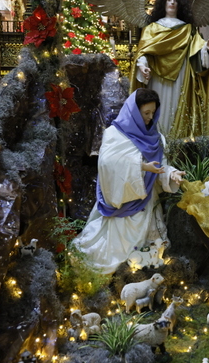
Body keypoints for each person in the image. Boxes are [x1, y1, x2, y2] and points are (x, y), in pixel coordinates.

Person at [72, 88, 185, 274]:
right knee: (113, 254)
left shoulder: (155, 137)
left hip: (147, 204)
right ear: (134, 112)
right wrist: (141, 166)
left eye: (153, 113)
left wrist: (171, 173)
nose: (150, 118)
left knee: (147, 257)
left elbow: (160, 165)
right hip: (122, 204)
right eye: (145, 113)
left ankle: (137, 278)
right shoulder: (114, 134)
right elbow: (107, 164)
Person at [132, 0, 209, 139]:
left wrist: (206, 48)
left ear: (180, 5)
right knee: (159, 106)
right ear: (163, 3)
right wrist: (142, 66)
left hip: (180, 75)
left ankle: (175, 144)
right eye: (169, 0)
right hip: (158, 78)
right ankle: (157, 141)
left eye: (175, 0)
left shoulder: (188, 29)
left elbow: (196, 50)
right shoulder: (152, 28)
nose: (172, 3)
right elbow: (144, 52)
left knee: (177, 105)